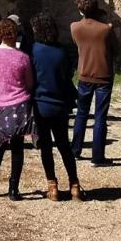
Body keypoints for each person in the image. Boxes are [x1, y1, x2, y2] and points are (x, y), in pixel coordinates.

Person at [30, 11, 82, 201]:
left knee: (46, 147)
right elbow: (68, 75)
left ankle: (52, 187)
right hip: (60, 104)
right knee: (64, 145)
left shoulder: (34, 50)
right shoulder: (62, 51)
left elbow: (31, 78)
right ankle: (74, 185)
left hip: (41, 104)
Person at [0, 17, 34, 200]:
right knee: (17, 148)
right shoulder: (23, 57)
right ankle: (13, 189)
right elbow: (29, 83)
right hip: (19, 105)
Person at [69, 0, 117, 165]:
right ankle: (97, 156)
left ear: (80, 10)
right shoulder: (106, 29)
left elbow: (77, 45)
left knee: (81, 114)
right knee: (100, 117)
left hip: (84, 73)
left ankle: (75, 150)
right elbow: (116, 49)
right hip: (104, 75)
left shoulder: (74, 27)